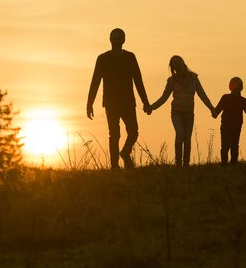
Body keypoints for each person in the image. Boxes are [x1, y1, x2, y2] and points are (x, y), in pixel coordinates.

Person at [87, 28, 151, 169]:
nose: (116, 41)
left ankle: (125, 152)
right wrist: (89, 104)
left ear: (123, 40)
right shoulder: (102, 59)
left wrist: (145, 102)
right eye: (114, 38)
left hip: (128, 102)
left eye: (119, 38)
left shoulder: (130, 57)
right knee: (114, 134)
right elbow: (95, 82)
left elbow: (138, 81)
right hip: (111, 103)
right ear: (110, 39)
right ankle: (114, 167)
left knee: (133, 132)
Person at [149, 55, 214, 167]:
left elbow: (202, 94)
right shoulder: (171, 81)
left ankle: (186, 164)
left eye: (179, 61)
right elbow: (164, 97)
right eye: (174, 63)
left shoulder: (194, 78)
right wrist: (152, 107)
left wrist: (212, 109)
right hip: (177, 113)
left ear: (183, 62)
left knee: (187, 138)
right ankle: (178, 163)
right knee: (179, 134)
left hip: (189, 113)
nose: (177, 64)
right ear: (172, 67)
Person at [212, 77, 246, 164]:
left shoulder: (243, 101)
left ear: (241, 89)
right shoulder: (225, 98)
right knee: (225, 146)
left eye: (238, 88)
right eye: (235, 88)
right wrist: (214, 113)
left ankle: (234, 164)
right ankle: (224, 164)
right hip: (225, 126)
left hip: (236, 127)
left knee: (234, 145)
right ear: (231, 88)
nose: (236, 90)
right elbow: (218, 109)